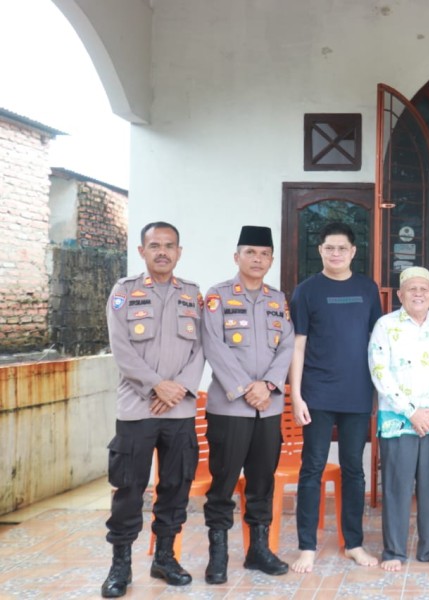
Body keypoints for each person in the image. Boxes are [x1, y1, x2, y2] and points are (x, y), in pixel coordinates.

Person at [101, 221, 204, 598]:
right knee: (129, 488)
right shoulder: (124, 292)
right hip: (137, 409)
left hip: (179, 410)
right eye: (155, 245)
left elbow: (201, 348)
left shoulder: (192, 294)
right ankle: (121, 565)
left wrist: (179, 388)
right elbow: (120, 347)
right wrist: (157, 385)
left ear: (179, 252)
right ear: (142, 251)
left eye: (169, 245)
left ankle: (165, 558)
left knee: (176, 486)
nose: (163, 252)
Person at [201, 225, 295, 583]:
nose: (258, 259)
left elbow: (287, 345)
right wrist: (245, 387)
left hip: (268, 407)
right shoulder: (218, 296)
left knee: (262, 481)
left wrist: (268, 385)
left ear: (271, 259)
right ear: (236, 256)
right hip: (230, 409)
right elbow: (213, 344)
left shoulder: (277, 299)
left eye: (264, 254)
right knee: (224, 482)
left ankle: (258, 550)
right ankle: (218, 555)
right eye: (251, 252)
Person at [288, 221, 382, 573]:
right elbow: (298, 345)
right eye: (330, 248)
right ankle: (307, 546)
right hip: (317, 394)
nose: (336, 253)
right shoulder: (306, 291)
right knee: (311, 467)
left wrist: (379, 392)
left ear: (353, 252)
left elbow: (377, 341)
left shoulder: (367, 289)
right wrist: (296, 395)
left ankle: (353, 544)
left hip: (357, 393)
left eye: (342, 248)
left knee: (354, 469)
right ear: (321, 250)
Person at [368, 266, 429, 571]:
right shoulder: (385, 326)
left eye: (424, 289)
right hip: (398, 421)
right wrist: (411, 411)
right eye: (412, 289)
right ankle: (394, 551)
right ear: (400, 294)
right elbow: (379, 371)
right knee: (397, 488)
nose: (418, 294)